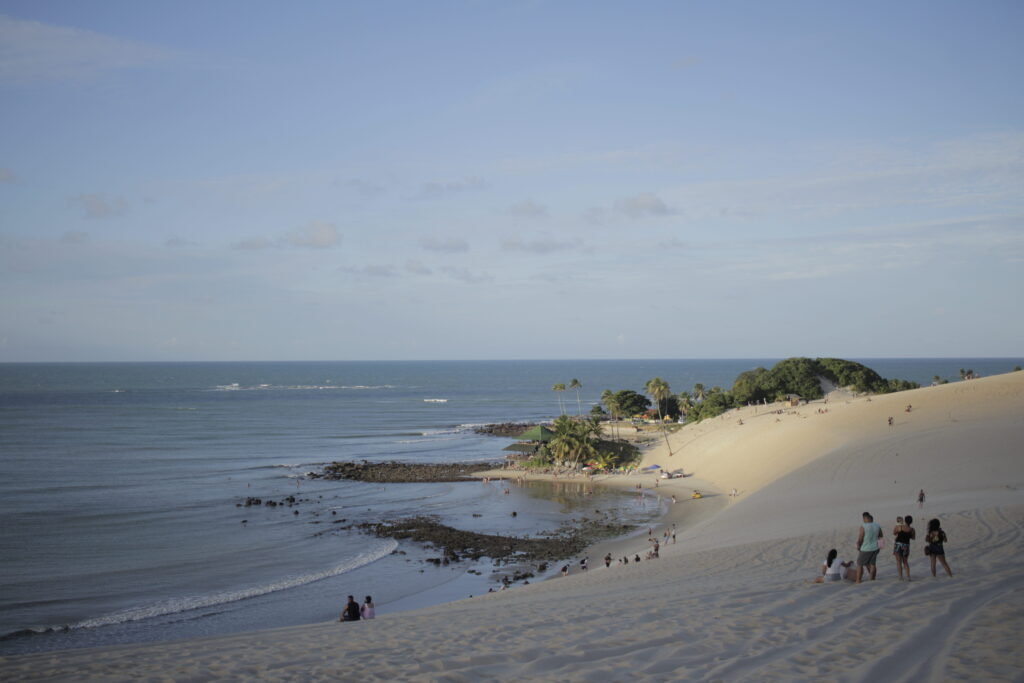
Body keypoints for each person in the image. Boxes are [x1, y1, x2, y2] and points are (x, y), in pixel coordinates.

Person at [855, 511, 883, 583]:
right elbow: (880, 536)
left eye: (864, 519)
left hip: (866, 548)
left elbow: (861, 537)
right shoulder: (877, 525)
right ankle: (872, 578)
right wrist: (880, 546)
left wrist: (858, 545)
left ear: (866, 519)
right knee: (872, 564)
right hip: (875, 548)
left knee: (859, 564)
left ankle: (858, 580)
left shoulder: (864, 526)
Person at [892, 515, 915, 581]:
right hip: (906, 545)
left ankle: (900, 576)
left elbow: (894, 532)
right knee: (905, 562)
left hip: (898, 544)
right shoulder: (912, 529)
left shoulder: (900, 527)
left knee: (899, 561)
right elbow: (913, 538)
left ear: (905, 520)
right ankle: (908, 576)